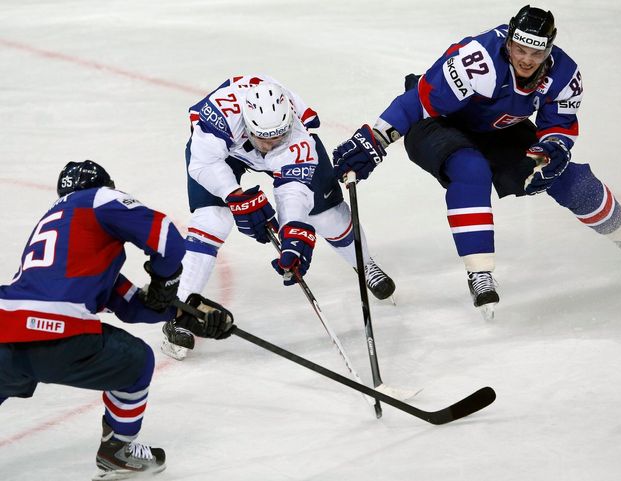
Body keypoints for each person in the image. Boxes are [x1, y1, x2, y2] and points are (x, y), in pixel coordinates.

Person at [332, 5, 621, 319]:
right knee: (470, 169)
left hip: (498, 127)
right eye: (519, 49)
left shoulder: (564, 76)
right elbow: (414, 104)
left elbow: (559, 125)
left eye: (536, 53)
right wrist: (373, 139)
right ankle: (480, 274)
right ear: (509, 40)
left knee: (565, 177)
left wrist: (553, 151)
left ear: (549, 50)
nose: (526, 59)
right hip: (437, 124)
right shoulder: (478, 61)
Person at [0, 160, 232, 479]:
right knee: (137, 362)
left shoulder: (64, 241)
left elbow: (130, 304)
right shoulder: (97, 198)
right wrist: (166, 281)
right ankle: (117, 449)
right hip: (58, 336)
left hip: (4, 330)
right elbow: (169, 240)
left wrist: (185, 314)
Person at [163, 74, 396, 359]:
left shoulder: (298, 135)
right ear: (248, 124)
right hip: (224, 154)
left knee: (325, 215)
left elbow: (293, 192)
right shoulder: (219, 118)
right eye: (265, 137)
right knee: (212, 220)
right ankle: (181, 307)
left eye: (279, 136)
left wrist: (293, 235)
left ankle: (365, 263)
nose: (272, 144)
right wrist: (234, 195)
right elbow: (204, 162)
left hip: (277, 146)